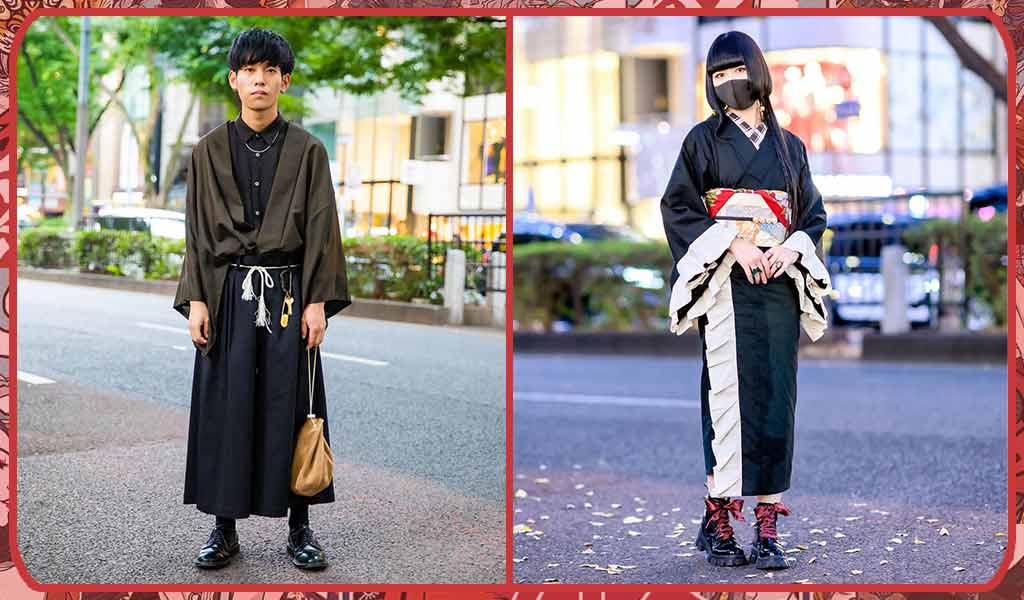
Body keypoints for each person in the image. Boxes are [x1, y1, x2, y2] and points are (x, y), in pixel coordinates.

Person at [172, 27, 350, 571]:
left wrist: (319, 300)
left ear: (284, 81)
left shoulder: (309, 151)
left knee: (292, 405)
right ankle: (223, 529)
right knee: (225, 404)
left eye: (270, 71)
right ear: (233, 80)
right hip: (227, 295)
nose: (259, 80)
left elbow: (323, 228)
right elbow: (197, 232)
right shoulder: (206, 151)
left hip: (290, 296)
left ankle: (300, 527)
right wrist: (196, 299)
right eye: (249, 70)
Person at [659, 30, 834, 571]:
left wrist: (792, 249)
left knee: (777, 399)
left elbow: (813, 217)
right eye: (716, 75)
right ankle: (719, 521)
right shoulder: (700, 142)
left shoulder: (790, 148)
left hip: (778, 288)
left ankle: (766, 524)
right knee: (727, 399)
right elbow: (678, 208)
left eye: (735, 71)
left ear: (757, 74)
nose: (727, 83)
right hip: (726, 287)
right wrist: (733, 242)